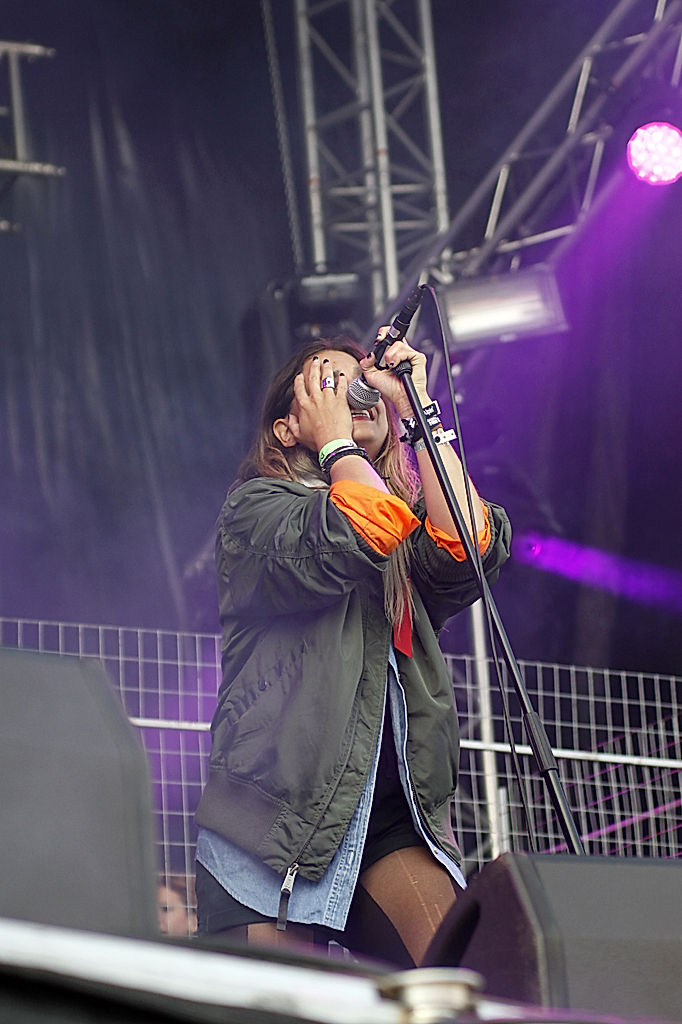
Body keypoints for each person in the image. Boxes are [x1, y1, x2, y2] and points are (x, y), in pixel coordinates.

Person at [194, 328, 511, 967]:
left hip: (395, 812)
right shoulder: (254, 510)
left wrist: (420, 413)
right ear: (288, 428)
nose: (355, 397)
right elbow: (351, 527)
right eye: (329, 385)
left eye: (360, 385)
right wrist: (339, 441)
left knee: (457, 987)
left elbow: (468, 546)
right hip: (275, 814)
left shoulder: (401, 518)